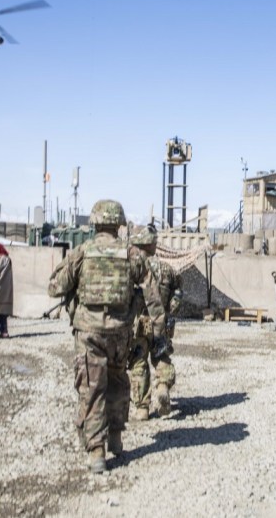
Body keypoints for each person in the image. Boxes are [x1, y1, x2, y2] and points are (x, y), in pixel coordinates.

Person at [47, 200, 147, 474]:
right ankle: (115, 436)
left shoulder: (82, 252)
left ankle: (96, 451)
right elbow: (148, 287)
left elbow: (54, 287)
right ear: (119, 224)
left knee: (92, 388)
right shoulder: (132, 253)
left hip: (89, 333)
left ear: (95, 223)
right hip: (121, 333)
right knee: (116, 379)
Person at [129, 224, 182, 420]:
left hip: (140, 324)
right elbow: (179, 290)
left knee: (138, 363)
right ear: (153, 244)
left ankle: (142, 407)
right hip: (163, 322)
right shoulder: (167, 269)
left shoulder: (135, 267)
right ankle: (162, 387)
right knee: (162, 358)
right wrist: (172, 307)